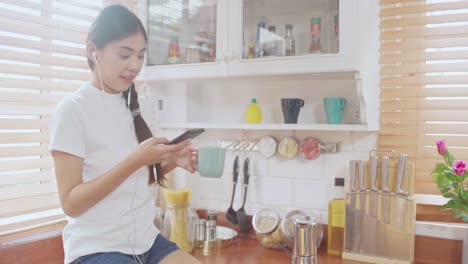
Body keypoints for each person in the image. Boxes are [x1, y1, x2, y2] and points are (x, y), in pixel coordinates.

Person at [49, 5, 201, 264]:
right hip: (96, 248)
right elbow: (71, 203)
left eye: (141, 56)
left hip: (146, 241)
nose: (134, 66)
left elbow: (136, 182)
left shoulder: (140, 105)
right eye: (124, 55)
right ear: (92, 51)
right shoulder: (73, 110)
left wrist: (171, 162)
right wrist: (136, 160)